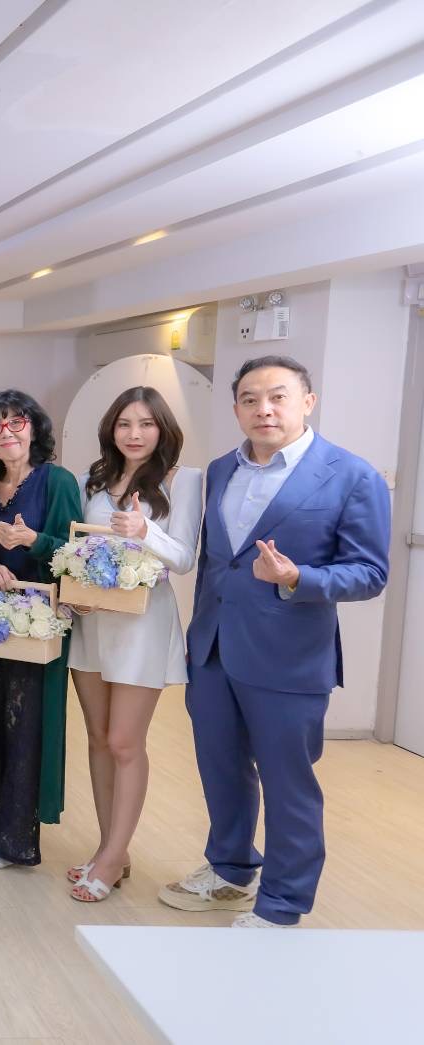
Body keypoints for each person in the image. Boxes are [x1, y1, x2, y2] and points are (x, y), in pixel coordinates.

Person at [161, 356, 389, 927]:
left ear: (307, 402)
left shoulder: (351, 475)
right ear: (236, 407)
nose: (264, 409)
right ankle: (230, 868)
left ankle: (284, 903)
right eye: (250, 399)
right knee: (221, 768)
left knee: (290, 785)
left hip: (289, 659)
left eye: (278, 396)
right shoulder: (220, 469)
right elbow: (217, 561)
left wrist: (297, 578)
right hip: (213, 650)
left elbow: (369, 573)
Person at [65, 388, 202, 901]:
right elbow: (79, 544)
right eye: (124, 424)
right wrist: (75, 591)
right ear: (111, 429)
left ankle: (112, 854)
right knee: (98, 739)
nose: (135, 434)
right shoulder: (93, 478)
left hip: (143, 624)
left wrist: (146, 531)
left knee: (125, 742)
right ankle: (111, 851)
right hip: (93, 620)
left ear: (163, 429)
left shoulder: (183, 480)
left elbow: (183, 558)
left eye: (146, 424)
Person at [0, 389, 81, 869]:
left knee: (23, 726)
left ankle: (14, 841)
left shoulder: (57, 480)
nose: (5, 432)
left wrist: (32, 539)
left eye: (15, 422)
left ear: (34, 427)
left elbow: (73, 554)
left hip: (39, 626)